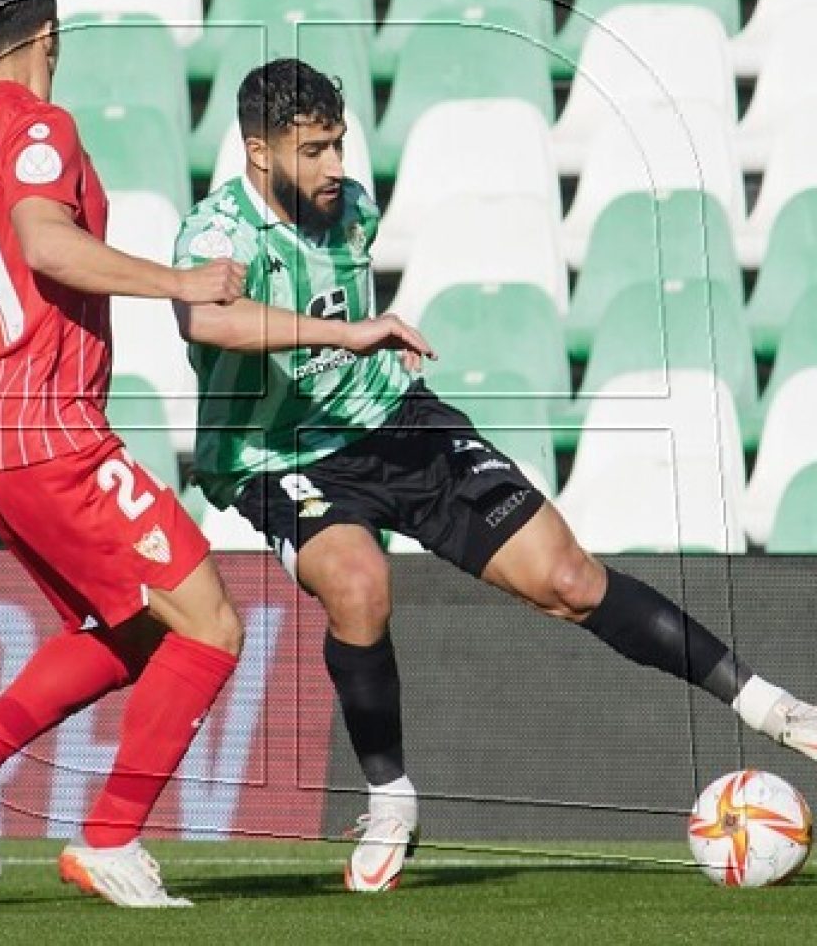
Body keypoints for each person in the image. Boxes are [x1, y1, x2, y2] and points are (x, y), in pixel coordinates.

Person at [172, 57, 817, 893]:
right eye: (314, 152)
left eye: (339, 144)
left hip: (396, 422)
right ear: (259, 154)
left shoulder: (352, 212)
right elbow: (208, 319)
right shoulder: (216, 233)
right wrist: (347, 334)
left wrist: (363, 352)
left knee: (571, 579)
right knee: (359, 584)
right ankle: (391, 799)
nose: (337, 168)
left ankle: (774, 708)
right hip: (277, 455)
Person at [0, 0, 248, 908]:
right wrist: (182, 282)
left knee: (129, 630)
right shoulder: (40, 128)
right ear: (49, 34)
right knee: (209, 624)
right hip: (54, 431)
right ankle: (112, 839)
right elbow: (45, 243)